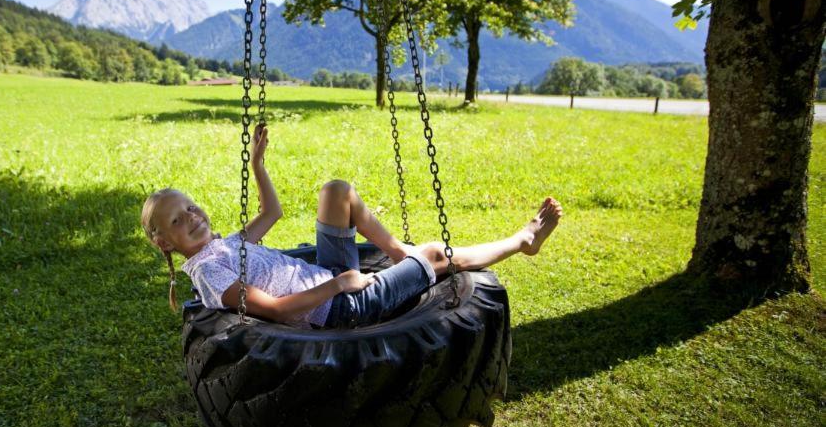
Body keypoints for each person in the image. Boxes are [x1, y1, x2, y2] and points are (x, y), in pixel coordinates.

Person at [141, 124, 563, 329]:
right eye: (179, 220)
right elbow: (273, 310)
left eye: (192, 207)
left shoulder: (223, 246)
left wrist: (257, 166)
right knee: (436, 252)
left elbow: (271, 214)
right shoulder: (211, 271)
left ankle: (400, 255)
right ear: (165, 241)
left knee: (336, 192)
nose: (193, 217)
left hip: (324, 278)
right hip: (338, 308)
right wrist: (340, 285)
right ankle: (522, 241)